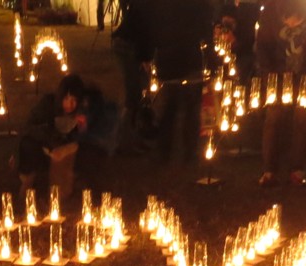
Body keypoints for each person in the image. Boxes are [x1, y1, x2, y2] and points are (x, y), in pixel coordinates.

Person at [256, 0, 306, 187]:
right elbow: (262, 47)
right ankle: (269, 170)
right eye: (286, 22)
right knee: (273, 118)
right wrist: (269, 76)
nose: (290, 24)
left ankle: (297, 169)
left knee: (301, 119)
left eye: (295, 22)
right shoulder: (271, 12)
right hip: (277, 74)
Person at [146, 0, 214, 167]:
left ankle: (165, 153)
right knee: (188, 109)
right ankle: (188, 154)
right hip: (187, 56)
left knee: (170, 108)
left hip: (170, 57)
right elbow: (205, 27)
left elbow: (153, 25)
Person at [17, 74, 91, 199]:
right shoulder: (48, 105)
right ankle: (29, 180)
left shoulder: (82, 113)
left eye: (74, 100)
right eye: (66, 99)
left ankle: (72, 181)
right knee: (28, 144)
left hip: (65, 153)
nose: (69, 104)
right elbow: (30, 127)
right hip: (43, 147)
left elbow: (85, 139)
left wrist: (82, 128)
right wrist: (51, 142)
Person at [98, 0, 153, 152]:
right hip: (126, 45)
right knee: (133, 93)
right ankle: (119, 139)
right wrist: (145, 59)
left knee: (142, 90)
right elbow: (145, 30)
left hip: (134, 45)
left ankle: (137, 134)